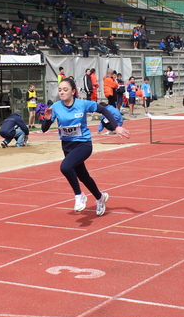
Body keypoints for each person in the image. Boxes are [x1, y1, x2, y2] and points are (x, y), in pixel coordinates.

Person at [41, 78, 131, 216]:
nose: (62, 92)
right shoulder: (56, 107)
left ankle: (79, 195)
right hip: (67, 146)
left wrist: (116, 127)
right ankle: (100, 197)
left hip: (83, 144)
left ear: (73, 91)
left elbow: (103, 110)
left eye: (65, 90)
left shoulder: (82, 104)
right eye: (60, 90)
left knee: (65, 167)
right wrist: (47, 120)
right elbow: (44, 129)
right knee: (83, 176)